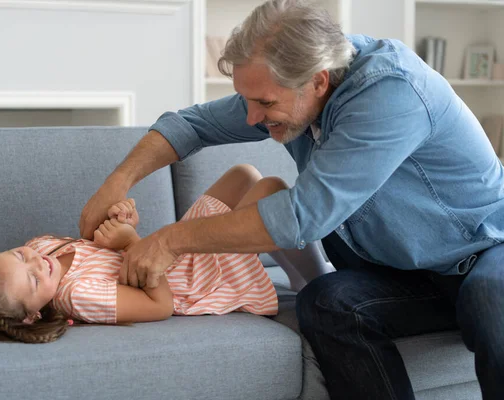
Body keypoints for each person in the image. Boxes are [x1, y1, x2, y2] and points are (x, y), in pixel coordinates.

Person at [78, 0, 504, 399]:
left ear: (318, 80)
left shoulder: (391, 93)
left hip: (485, 253)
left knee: (489, 298)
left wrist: (168, 240)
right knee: (325, 302)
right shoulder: (289, 82)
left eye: (264, 103)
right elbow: (190, 124)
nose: (251, 119)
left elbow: (304, 215)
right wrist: (116, 183)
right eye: (247, 99)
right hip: (407, 274)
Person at [0, 165, 302, 344]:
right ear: (31, 314)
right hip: (191, 279)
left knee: (242, 176)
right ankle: (311, 276)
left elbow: (97, 248)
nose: (35, 261)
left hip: (177, 253)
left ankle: (302, 267)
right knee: (271, 189)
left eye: (18, 255)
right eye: (32, 279)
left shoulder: (41, 247)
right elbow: (161, 304)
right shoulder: (76, 295)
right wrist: (133, 242)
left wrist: (120, 221)